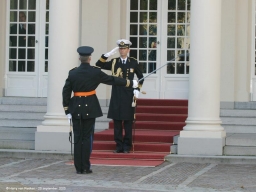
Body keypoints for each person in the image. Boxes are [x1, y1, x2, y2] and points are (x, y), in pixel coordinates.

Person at [62, 46, 138, 174]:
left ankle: (78, 167)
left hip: (75, 107)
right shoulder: (95, 72)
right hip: (90, 107)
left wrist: (67, 110)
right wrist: (130, 83)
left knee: (78, 138)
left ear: (80, 58)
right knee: (87, 138)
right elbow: (112, 80)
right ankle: (85, 167)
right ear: (90, 58)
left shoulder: (73, 72)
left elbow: (66, 92)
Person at [96, 39, 144, 153]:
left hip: (128, 94)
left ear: (128, 50)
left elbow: (141, 77)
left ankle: (127, 146)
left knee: (127, 122)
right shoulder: (114, 62)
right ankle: (118, 145)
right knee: (117, 122)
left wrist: (137, 89)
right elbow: (98, 65)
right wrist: (106, 55)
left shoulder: (133, 62)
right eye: (120, 49)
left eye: (124, 48)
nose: (122, 51)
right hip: (117, 93)